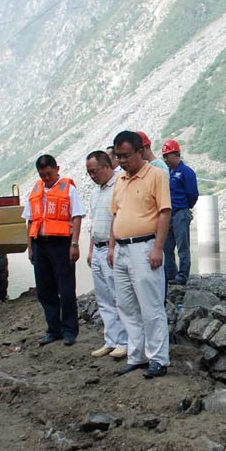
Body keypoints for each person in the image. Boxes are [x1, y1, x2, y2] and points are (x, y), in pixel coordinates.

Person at [109, 130, 172, 379]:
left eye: (126, 155)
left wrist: (158, 247)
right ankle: (137, 355)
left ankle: (158, 358)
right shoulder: (120, 179)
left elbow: (165, 212)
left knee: (151, 305)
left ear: (139, 151)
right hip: (122, 249)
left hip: (145, 247)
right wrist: (112, 247)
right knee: (125, 305)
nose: (122, 160)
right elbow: (116, 215)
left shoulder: (156, 175)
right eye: (118, 156)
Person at [23, 154, 85, 346]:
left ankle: (69, 331)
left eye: (49, 174)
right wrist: (30, 247)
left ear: (57, 169)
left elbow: (76, 217)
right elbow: (30, 220)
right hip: (40, 244)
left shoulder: (69, 189)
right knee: (44, 289)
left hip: (61, 244)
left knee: (66, 289)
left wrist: (74, 244)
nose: (46, 178)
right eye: (42, 175)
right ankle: (53, 329)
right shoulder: (36, 189)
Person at [85, 150, 129, 359]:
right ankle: (111, 340)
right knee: (103, 298)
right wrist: (90, 250)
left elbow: (116, 219)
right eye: (89, 173)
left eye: (94, 171)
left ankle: (125, 341)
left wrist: (111, 247)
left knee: (118, 295)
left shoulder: (118, 186)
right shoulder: (96, 193)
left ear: (106, 166)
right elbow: (94, 224)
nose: (92, 176)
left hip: (112, 248)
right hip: (98, 248)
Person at [162, 139, 199, 285]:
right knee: (167, 247)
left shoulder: (186, 172)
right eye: (164, 156)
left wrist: (185, 207)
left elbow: (192, 194)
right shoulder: (167, 173)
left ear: (176, 154)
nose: (166, 159)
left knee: (182, 246)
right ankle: (171, 274)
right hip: (168, 214)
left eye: (168, 156)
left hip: (180, 213)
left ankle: (183, 275)